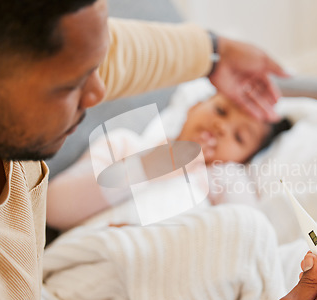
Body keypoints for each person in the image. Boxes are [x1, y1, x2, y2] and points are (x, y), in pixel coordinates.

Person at [0, 0, 317, 300]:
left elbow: (245, 239)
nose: (99, 92)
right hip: (103, 267)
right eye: (73, 84)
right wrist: (160, 161)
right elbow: (62, 206)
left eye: (238, 137)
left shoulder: (223, 180)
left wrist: (215, 52)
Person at [46, 92, 293, 230]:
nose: (221, 127)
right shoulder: (124, 145)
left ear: (244, 159)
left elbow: (249, 233)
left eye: (239, 137)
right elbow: (53, 209)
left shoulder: (222, 177)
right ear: (194, 106)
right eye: (220, 111)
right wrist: (149, 165)